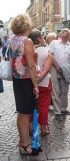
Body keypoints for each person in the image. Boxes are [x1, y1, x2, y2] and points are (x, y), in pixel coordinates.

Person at [9, 13, 39, 155]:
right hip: (26, 80)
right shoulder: (26, 41)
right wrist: (36, 85)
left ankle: (22, 142)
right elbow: (31, 66)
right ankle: (25, 145)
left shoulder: (13, 40)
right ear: (26, 25)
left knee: (21, 113)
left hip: (17, 80)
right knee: (26, 114)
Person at [28, 29, 53, 136]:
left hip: (29, 83)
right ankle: (43, 129)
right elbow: (46, 69)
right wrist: (37, 81)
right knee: (43, 105)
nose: (43, 39)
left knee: (30, 106)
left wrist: (34, 81)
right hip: (44, 83)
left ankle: (30, 129)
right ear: (38, 39)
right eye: (42, 37)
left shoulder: (28, 51)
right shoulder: (47, 52)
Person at [49, 28, 70, 119]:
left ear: (69, 36)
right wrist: (57, 66)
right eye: (63, 33)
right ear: (60, 35)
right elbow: (50, 55)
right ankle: (57, 111)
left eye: (66, 34)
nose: (64, 35)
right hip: (54, 68)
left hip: (65, 69)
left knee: (64, 90)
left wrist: (66, 68)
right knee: (55, 90)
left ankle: (63, 108)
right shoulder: (54, 43)